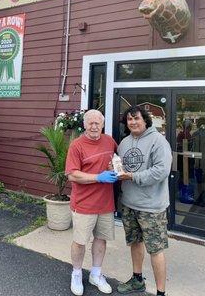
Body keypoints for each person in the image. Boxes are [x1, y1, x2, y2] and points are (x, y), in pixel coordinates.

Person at [117, 105, 172, 296]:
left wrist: (132, 176)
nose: (133, 122)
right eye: (129, 120)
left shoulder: (158, 141)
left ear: (145, 120)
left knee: (155, 250)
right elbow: (122, 170)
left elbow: (161, 171)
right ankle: (137, 280)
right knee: (135, 243)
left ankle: (160, 292)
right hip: (129, 203)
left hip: (152, 207)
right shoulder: (123, 143)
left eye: (136, 118)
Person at [65, 109, 118, 296]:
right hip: (84, 204)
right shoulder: (77, 145)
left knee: (101, 239)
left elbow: (115, 161)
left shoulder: (109, 141)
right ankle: (77, 273)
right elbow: (72, 174)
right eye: (91, 123)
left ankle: (96, 274)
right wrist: (99, 177)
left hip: (105, 203)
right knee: (80, 242)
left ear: (102, 124)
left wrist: (113, 166)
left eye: (98, 123)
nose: (94, 126)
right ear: (85, 124)